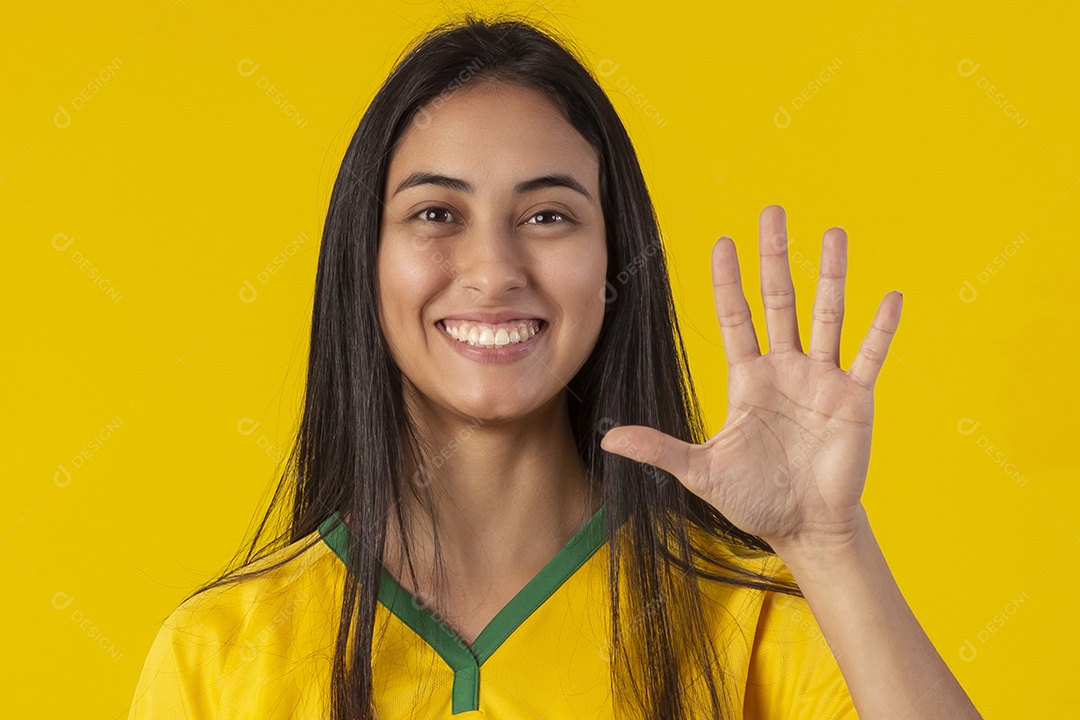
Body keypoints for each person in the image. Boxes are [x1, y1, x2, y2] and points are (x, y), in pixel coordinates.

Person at [127, 13, 983, 720]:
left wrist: (829, 545)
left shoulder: (751, 630)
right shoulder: (219, 655)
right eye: (435, 212)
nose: (495, 270)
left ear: (615, 267)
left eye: (547, 217)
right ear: (365, 262)